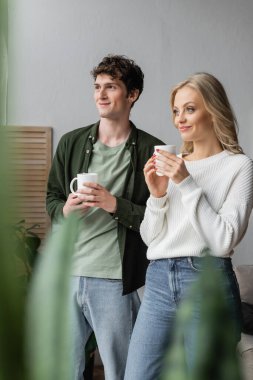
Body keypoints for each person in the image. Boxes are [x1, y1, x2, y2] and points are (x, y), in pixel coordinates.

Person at [124, 72, 253, 380]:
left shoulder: (239, 167)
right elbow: (150, 237)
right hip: (157, 281)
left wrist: (185, 183)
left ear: (213, 109)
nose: (180, 118)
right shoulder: (172, 162)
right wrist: (156, 197)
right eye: (176, 110)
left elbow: (222, 241)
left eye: (190, 109)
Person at [46, 54, 164, 380]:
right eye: (97, 86)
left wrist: (115, 204)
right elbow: (52, 199)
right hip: (67, 274)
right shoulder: (71, 142)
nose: (100, 94)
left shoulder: (152, 151)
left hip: (113, 279)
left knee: (121, 370)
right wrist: (66, 210)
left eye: (110, 87)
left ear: (132, 94)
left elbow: (159, 221)